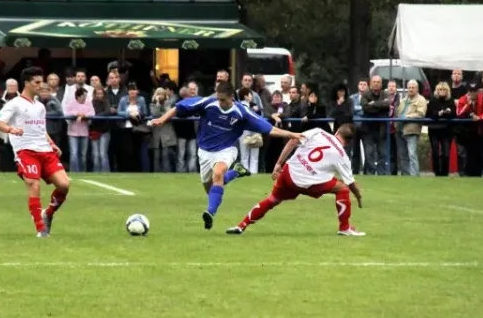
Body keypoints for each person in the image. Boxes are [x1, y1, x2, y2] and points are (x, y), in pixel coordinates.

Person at [150, 81, 303, 230]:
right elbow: (179, 107)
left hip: (226, 149)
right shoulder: (208, 103)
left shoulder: (241, 112)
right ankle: (236, 172)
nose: (219, 101)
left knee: (218, 174)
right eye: (218, 98)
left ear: (231, 97)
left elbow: (269, 129)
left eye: (222, 99)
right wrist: (162, 119)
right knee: (211, 190)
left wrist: (291, 134)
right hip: (204, 151)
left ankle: (210, 212)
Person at [226, 124, 365, 236]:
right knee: (342, 189)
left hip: (289, 173)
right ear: (348, 142)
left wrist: (279, 163)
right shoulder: (342, 155)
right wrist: (358, 196)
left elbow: (293, 140)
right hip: (309, 183)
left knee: (271, 200)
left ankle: (241, 225)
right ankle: (344, 228)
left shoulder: (318, 132)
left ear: (337, 131)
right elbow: (350, 182)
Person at [0, 67, 70, 238]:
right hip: (25, 151)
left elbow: (41, 128)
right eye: (37, 82)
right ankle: (41, 229)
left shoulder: (40, 106)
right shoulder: (14, 104)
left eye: (41, 82)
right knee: (33, 184)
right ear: (26, 83)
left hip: (45, 151)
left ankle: (47, 214)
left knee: (64, 185)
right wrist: (11, 129)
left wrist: (52, 143)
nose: (40, 86)